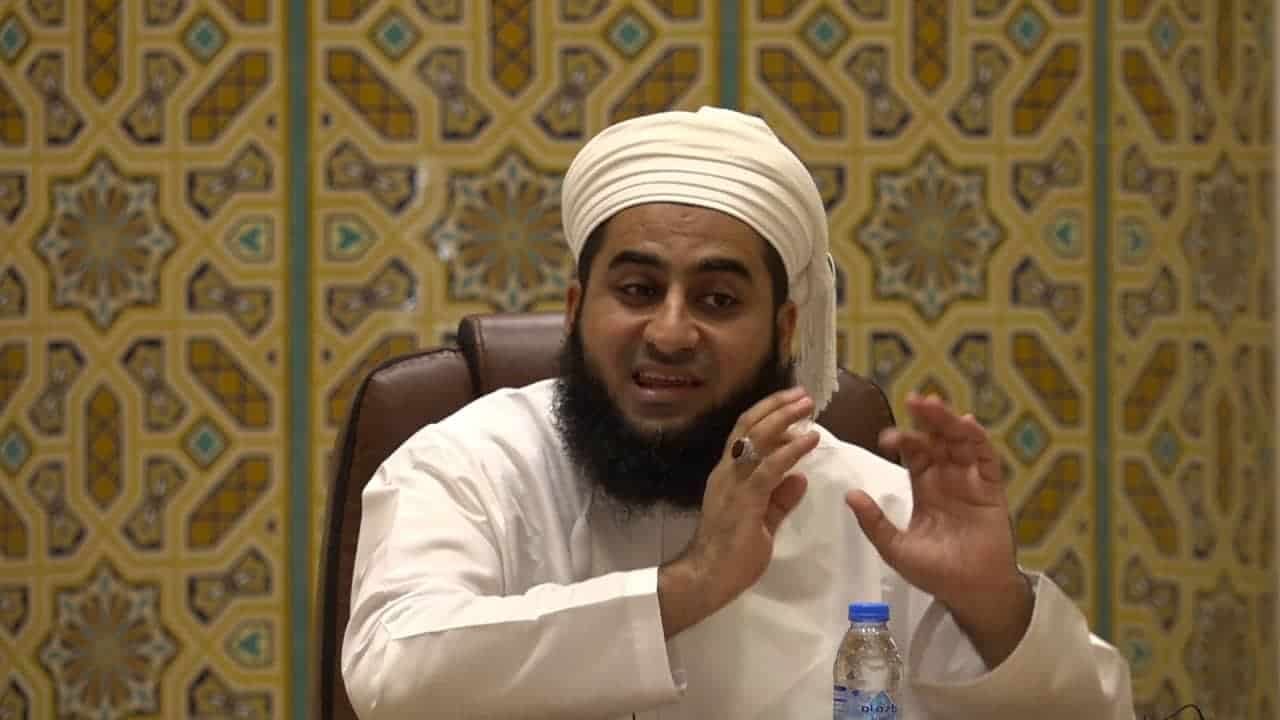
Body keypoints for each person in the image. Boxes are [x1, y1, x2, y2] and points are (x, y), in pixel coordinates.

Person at [341, 107, 1135, 719]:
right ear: (577, 308)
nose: (670, 332)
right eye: (637, 290)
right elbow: (392, 676)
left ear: (783, 330)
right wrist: (691, 583)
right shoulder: (467, 466)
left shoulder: (880, 513)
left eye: (718, 300)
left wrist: (994, 605)